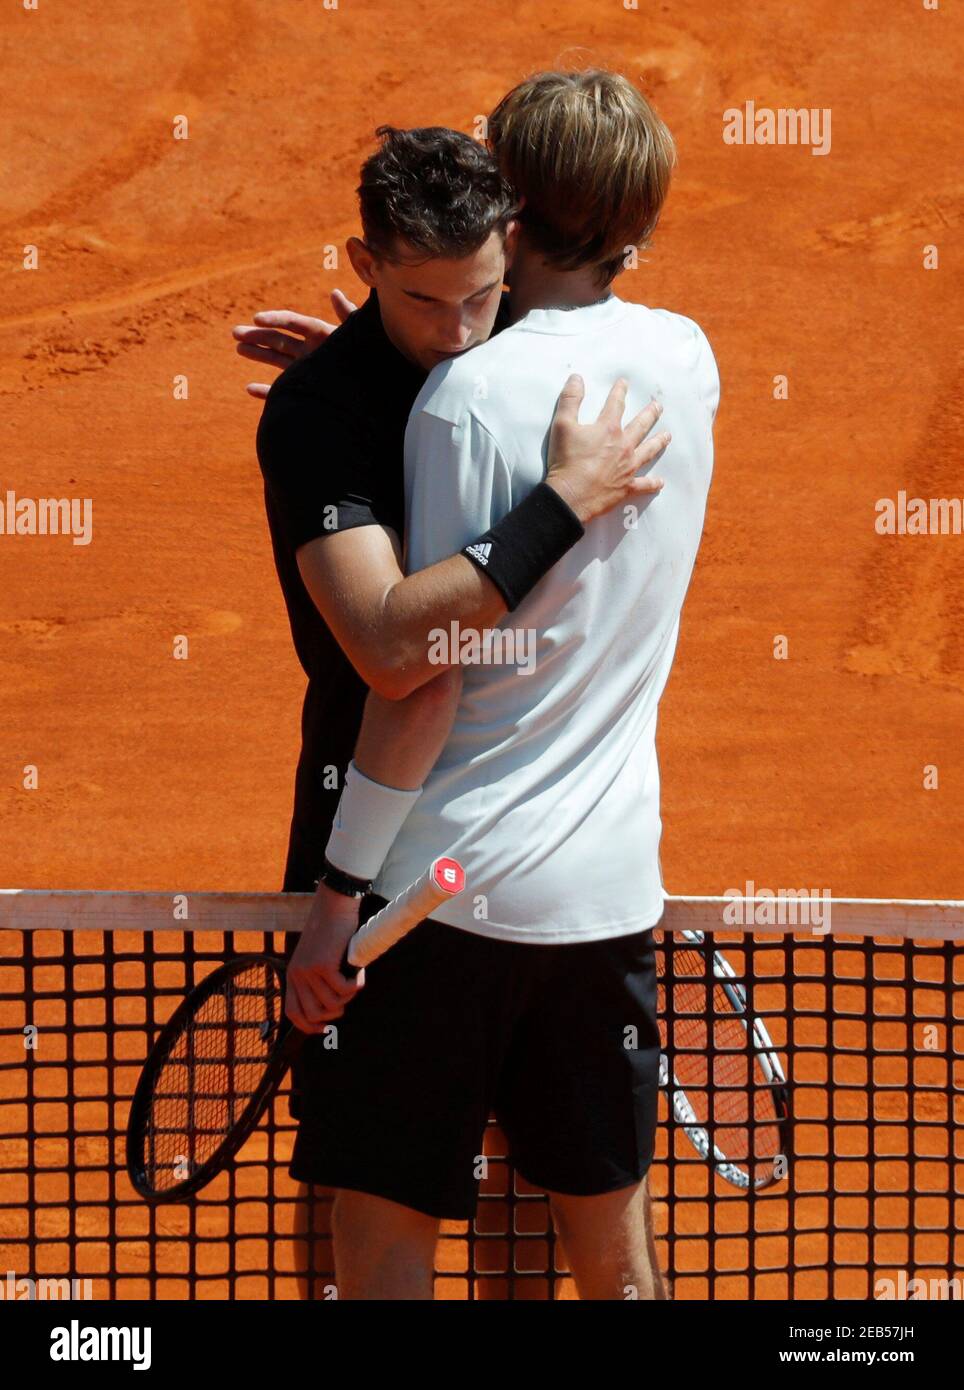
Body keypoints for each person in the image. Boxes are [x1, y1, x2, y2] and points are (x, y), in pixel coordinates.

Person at [259, 69, 720, 1301]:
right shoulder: (686, 356)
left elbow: (412, 675)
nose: (456, 324)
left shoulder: (462, 397)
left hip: (427, 887)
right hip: (609, 889)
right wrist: (365, 370)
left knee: (377, 1224)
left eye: (471, 294)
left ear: (509, 216)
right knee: (611, 1251)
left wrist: (339, 892)